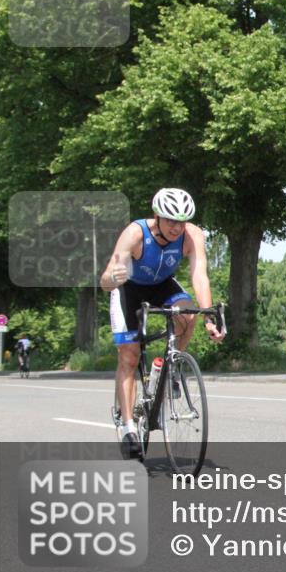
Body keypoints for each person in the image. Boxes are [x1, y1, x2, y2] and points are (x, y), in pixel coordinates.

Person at [100, 188, 225, 460]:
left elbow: (199, 276)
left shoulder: (192, 235)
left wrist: (209, 317)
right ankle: (128, 427)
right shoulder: (135, 233)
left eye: (182, 221)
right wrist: (112, 278)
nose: (176, 228)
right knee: (129, 356)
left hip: (162, 286)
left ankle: (170, 368)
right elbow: (105, 281)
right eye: (170, 220)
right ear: (156, 216)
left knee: (188, 314)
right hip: (129, 288)